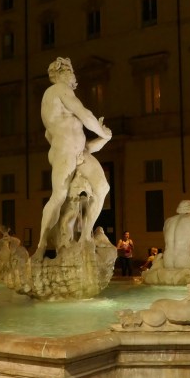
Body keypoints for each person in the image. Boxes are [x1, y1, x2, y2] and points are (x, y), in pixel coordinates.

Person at [33, 57, 112, 259]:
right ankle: (41, 246)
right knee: (59, 196)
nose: (73, 75)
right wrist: (101, 132)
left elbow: (84, 144)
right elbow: (85, 115)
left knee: (102, 188)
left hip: (79, 152)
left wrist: (105, 138)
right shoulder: (58, 90)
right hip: (65, 151)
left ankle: (86, 235)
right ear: (61, 73)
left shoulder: (58, 99)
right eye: (70, 71)